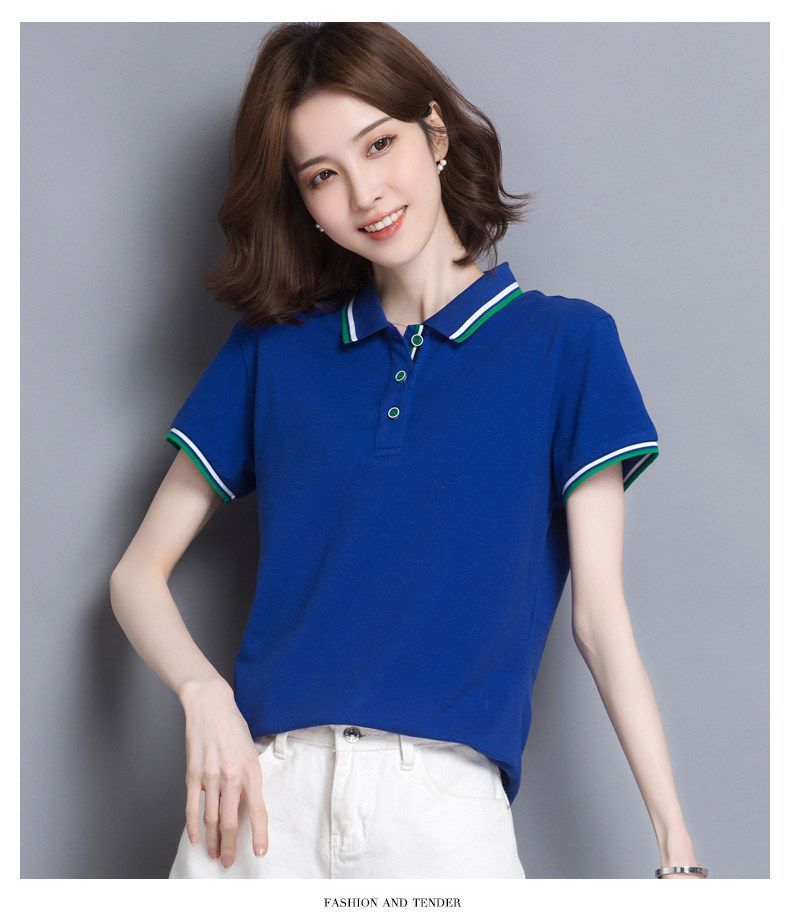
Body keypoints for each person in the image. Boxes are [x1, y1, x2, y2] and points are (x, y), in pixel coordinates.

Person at [110, 21, 706, 880]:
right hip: (258, 808)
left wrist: (677, 853)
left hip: (440, 818)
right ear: (303, 202)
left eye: (378, 144)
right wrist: (204, 696)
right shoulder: (274, 352)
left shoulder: (566, 345)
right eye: (323, 175)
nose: (364, 195)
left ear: (434, 133)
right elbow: (136, 574)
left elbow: (600, 620)